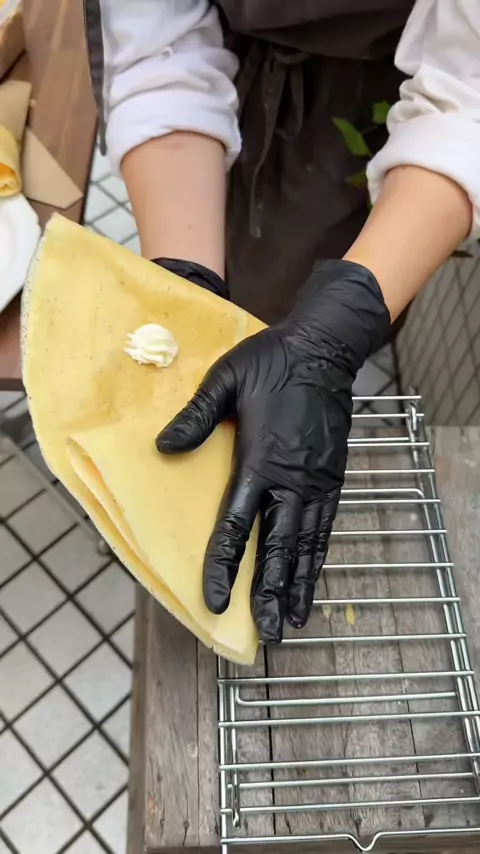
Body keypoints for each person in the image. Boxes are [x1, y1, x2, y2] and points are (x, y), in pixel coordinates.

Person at [84, 0, 479, 644]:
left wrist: (334, 334)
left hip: (377, 109)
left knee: (306, 295)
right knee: (231, 320)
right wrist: (185, 291)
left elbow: (468, 90)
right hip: (232, 77)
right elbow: (161, 48)